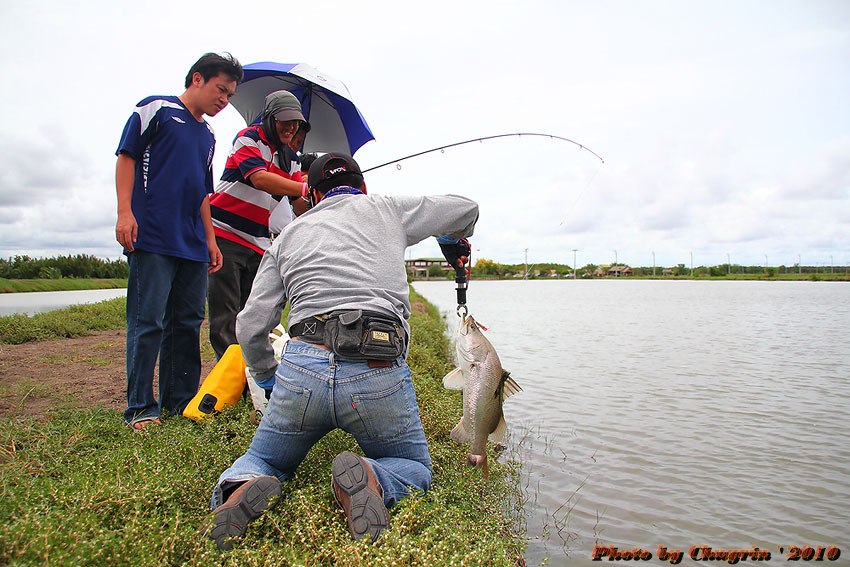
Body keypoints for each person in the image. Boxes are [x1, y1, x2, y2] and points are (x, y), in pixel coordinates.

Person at [207, 153, 477, 550]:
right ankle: (372, 477)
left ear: (313, 195)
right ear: (363, 187)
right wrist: (448, 236)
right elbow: (466, 209)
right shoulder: (387, 209)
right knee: (414, 467)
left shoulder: (289, 236)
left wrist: (267, 378)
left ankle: (242, 486)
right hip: (377, 364)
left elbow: (249, 325)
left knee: (265, 459)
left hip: (302, 370)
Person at [115, 52, 244, 430]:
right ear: (197, 79)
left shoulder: (208, 136)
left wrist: (211, 239)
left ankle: (179, 402)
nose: (224, 100)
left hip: (191, 243)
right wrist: (125, 212)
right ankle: (140, 408)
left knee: (187, 322)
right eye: (221, 90)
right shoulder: (155, 109)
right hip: (152, 235)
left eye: (230, 95)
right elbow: (126, 157)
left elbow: (203, 193)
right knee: (147, 321)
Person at [207, 90, 310, 360]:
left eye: (296, 123)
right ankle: (230, 380)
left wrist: (324, 196)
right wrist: (302, 186)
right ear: (269, 118)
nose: (291, 127)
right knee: (225, 316)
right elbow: (259, 179)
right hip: (224, 235)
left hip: (258, 242)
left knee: (253, 314)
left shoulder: (293, 158)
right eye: (284, 121)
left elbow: (298, 202)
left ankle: (251, 374)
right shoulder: (248, 138)